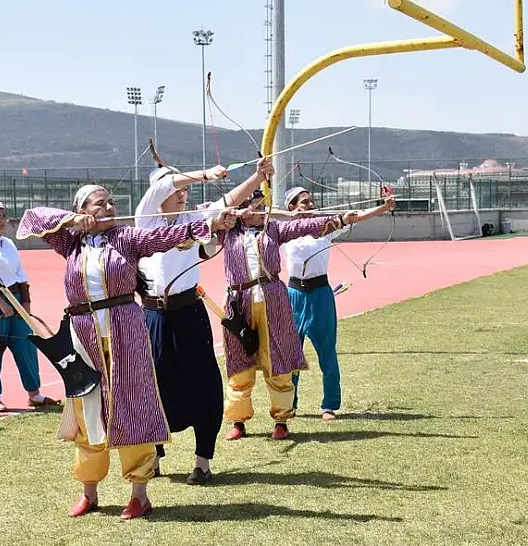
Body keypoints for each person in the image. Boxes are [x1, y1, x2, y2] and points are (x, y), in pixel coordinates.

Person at [17, 184, 238, 519]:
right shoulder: (70, 241)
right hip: (84, 332)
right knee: (87, 407)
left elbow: (165, 237)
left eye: (111, 202)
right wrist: (74, 221)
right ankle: (89, 491)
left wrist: (210, 224)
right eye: (98, 203)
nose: (108, 206)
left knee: (131, 402)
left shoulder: (127, 238)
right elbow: (32, 218)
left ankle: (139, 493)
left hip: (125, 327)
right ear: (83, 208)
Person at [135, 158, 273, 485]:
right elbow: (164, 186)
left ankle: (202, 460)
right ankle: (154, 454)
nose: (182, 194)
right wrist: (202, 175)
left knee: (204, 383)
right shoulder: (145, 221)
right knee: (154, 386)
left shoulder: (194, 219)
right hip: (152, 315)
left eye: (184, 190)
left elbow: (230, 201)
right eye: (177, 188)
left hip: (189, 314)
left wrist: (257, 177)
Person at [220, 187, 393, 441]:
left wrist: (349, 217)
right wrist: (231, 213)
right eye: (253, 206)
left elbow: (317, 224)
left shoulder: (276, 229)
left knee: (278, 358)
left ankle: (282, 419)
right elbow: (210, 215)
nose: (259, 210)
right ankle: (238, 420)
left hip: (274, 299)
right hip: (240, 301)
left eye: (261, 205)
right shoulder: (227, 231)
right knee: (240, 363)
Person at [0, 200, 59, 412]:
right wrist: (0, 303)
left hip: (15, 299)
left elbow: (20, 275)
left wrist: (26, 304)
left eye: (3, 216)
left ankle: (34, 394)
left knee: (26, 346)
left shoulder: (9, 243)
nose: (0, 221)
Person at [281, 186, 353, 421]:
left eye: (311, 202)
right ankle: (289, 404)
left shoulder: (325, 228)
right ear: (291, 207)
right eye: (304, 202)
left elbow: (353, 218)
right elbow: (264, 218)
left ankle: (329, 405)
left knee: (327, 352)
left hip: (321, 293)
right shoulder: (283, 231)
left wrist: (383, 207)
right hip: (294, 296)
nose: (310, 206)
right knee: (292, 354)